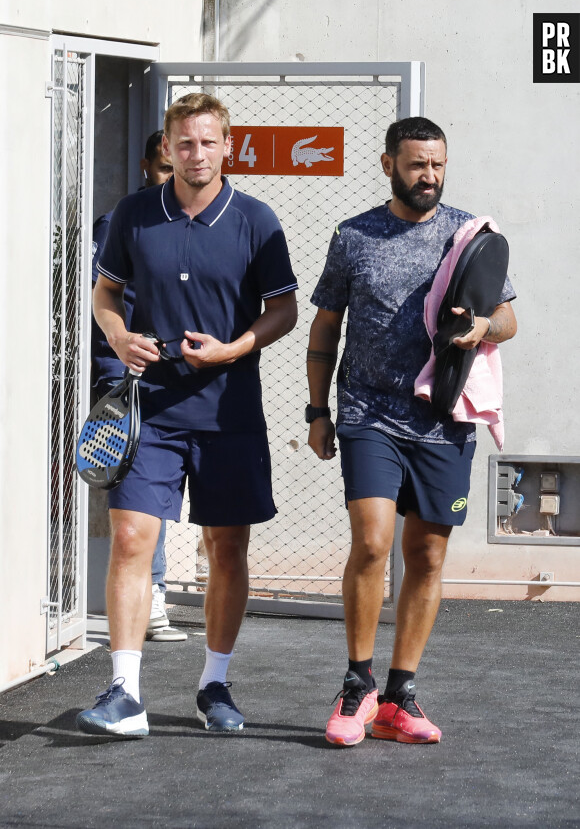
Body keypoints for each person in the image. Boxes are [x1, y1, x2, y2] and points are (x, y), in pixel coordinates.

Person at [77, 92, 297, 738]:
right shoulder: (134, 215)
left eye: (207, 142)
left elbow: (281, 309)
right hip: (149, 411)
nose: (195, 154)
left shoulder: (256, 219)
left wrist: (233, 348)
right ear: (167, 149)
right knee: (129, 540)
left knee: (226, 548)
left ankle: (214, 684)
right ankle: (123, 692)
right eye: (184, 143)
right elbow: (105, 294)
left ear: (228, 146)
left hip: (228, 411)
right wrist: (118, 337)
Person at [306, 116, 517, 747]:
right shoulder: (354, 236)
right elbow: (324, 330)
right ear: (388, 164)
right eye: (417, 164)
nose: (429, 175)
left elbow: (506, 316)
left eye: (438, 164)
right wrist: (318, 411)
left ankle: (400, 695)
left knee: (426, 554)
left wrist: (482, 329)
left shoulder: (468, 233)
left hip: (443, 418)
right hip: (368, 411)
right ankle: (356, 684)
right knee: (372, 543)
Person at [91, 130, 186, 643]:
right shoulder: (121, 222)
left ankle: (154, 594)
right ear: (148, 167)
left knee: (155, 499)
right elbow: (103, 300)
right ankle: (151, 600)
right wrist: (121, 353)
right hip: (124, 379)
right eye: (164, 168)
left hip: (175, 380)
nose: (174, 177)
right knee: (139, 500)